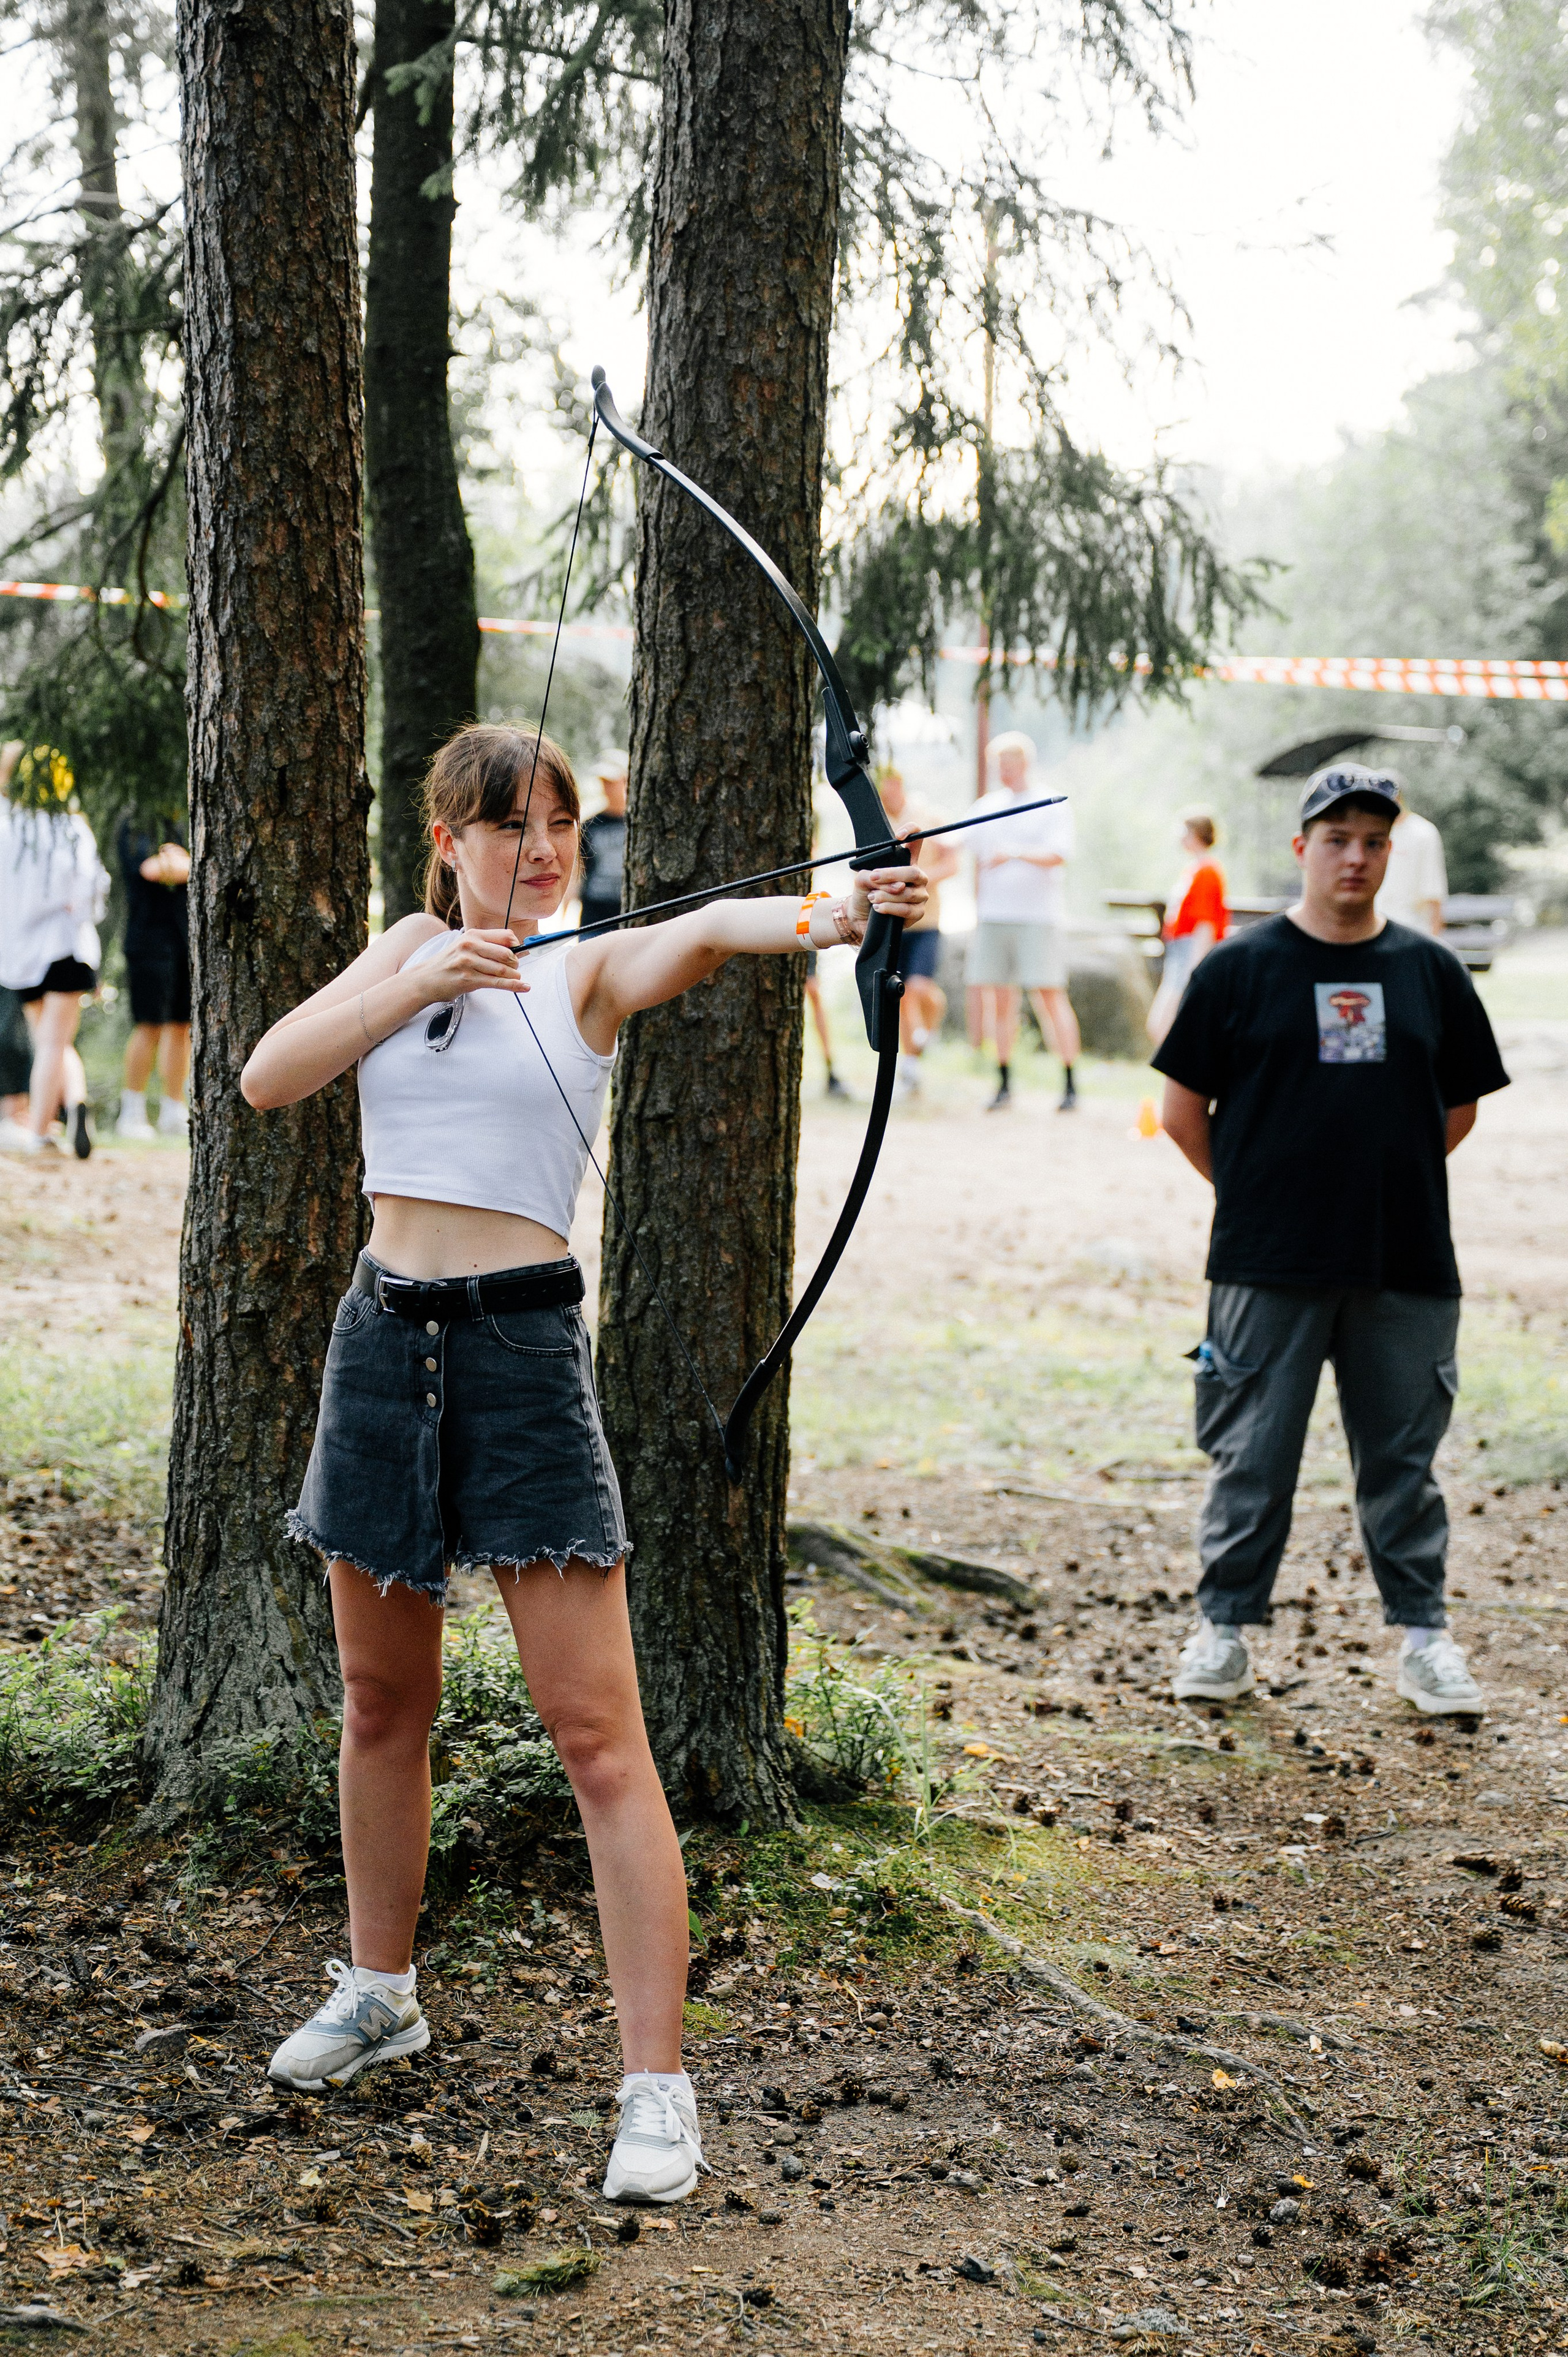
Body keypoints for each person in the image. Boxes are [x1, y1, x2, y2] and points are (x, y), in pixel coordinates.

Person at [239, 722, 925, 2198]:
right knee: (378, 1699)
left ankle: (655, 2088)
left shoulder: (583, 968)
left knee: (599, 1740)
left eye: (557, 820)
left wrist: (847, 902)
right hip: (380, 1345)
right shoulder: (400, 954)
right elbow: (264, 1079)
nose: (538, 846)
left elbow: (726, 926)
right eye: (506, 824)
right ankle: (380, 1989)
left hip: (520, 1354)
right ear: (447, 839)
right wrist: (415, 980)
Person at [1152, 763, 1508, 1719]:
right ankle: (1223, 1631)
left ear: (1392, 852)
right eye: (1338, 838)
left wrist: (1376, 1181)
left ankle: (1425, 1639)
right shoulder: (1239, 968)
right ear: (1303, 847)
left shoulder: (1429, 970)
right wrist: (1267, 1191)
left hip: (1407, 1260)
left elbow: (1459, 1105)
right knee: (1252, 1457)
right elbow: (1182, 1111)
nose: (1356, 856)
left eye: (1374, 841)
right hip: (1268, 1262)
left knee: (1403, 1460)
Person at [0, 741, 107, 1158]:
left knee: (49, 1038)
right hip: (65, 946)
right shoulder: (69, 826)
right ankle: (48, 1128)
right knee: (55, 1042)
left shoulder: (5, 826)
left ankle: (57, 1118)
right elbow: (90, 887)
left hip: (21, 954)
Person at [965, 730, 1080, 1111]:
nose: (1004, 772)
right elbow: (955, 841)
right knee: (1001, 999)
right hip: (994, 915)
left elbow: (1060, 853)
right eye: (999, 766)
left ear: (1025, 764)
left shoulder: (1049, 803)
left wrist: (1015, 853)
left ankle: (1069, 1084)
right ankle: (1004, 1083)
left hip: (1038, 916)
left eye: (1010, 765)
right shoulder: (987, 805)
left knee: (1049, 996)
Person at [877, 763, 959, 1098]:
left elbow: (951, 863)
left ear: (898, 784)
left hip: (927, 919)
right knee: (902, 993)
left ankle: (930, 1030)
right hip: (894, 921)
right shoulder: (878, 821)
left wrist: (919, 881)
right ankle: (910, 1066)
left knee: (921, 989)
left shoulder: (928, 815)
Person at [115, 815, 190, 1139]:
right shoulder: (135, 822)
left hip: (184, 941)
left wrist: (181, 861)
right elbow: (153, 869)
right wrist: (183, 862)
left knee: (181, 1026)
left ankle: (174, 1109)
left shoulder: (182, 820)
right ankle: (132, 1112)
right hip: (147, 943)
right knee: (149, 1026)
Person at [1147, 810, 1228, 1049]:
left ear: (1196, 834)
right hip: (1179, 953)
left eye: (1183, 831)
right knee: (1161, 1024)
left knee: (1165, 1024)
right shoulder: (1193, 870)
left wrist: (1197, 969)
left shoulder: (1207, 871)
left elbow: (1206, 924)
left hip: (1191, 953)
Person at [1376, 781, 1447, 936]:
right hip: (1374, 931)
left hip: (1412, 931)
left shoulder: (1423, 832)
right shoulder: (1370, 833)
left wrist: (1433, 945)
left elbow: (1434, 895)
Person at [578, 749, 628, 935]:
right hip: (594, 917)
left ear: (626, 781)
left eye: (612, 782)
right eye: (603, 782)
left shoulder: (640, 824)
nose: (607, 788)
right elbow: (579, 868)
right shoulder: (590, 825)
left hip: (628, 917)